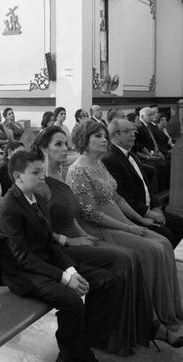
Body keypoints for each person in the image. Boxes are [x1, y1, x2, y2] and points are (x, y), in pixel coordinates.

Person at [32, 126, 154, 355]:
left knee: (130, 258)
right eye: (58, 144)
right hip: (57, 248)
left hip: (75, 238)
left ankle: (135, 329)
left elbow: (71, 212)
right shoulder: (39, 181)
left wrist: (81, 232)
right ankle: (111, 336)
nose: (65, 148)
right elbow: (39, 228)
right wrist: (71, 240)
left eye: (65, 143)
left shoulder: (60, 173)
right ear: (43, 149)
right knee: (124, 258)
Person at [0, 150, 115, 362]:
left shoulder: (38, 200)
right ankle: (74, 356)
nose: (42, 176)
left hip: (44, 265)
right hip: (22, 274)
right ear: (18, 176)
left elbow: (49, 243)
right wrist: (64, 278)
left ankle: (85, 341)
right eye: (36, 172)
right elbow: (22, 258)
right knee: (72, 302)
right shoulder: (8, 208)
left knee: (105, 280)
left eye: (42, 170)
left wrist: (71, 271)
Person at [66, 120, 183, 331]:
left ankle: (170, 308)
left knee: (164, 242)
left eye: (104, 135)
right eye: (98, 136)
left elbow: (118, 199)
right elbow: (91, 214)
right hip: (101, 228)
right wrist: (129, 229)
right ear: (85, 141)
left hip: (120, 220)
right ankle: (151, 317)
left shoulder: (99, 163)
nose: (104, 139)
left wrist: (140, 220)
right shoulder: (77, 171)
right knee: (152, 249)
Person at [102, 118, 183, 249]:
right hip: (132, 215)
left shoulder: (130, 153)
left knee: (180, 224)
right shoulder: (110, 159)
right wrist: (147, 213)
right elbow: (121, 196)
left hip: (148, 208)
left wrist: (156, 207)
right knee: (166, 234)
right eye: (128, 131)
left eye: (133, 130)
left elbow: (147, 187)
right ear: (115, 135)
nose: (134, 134)